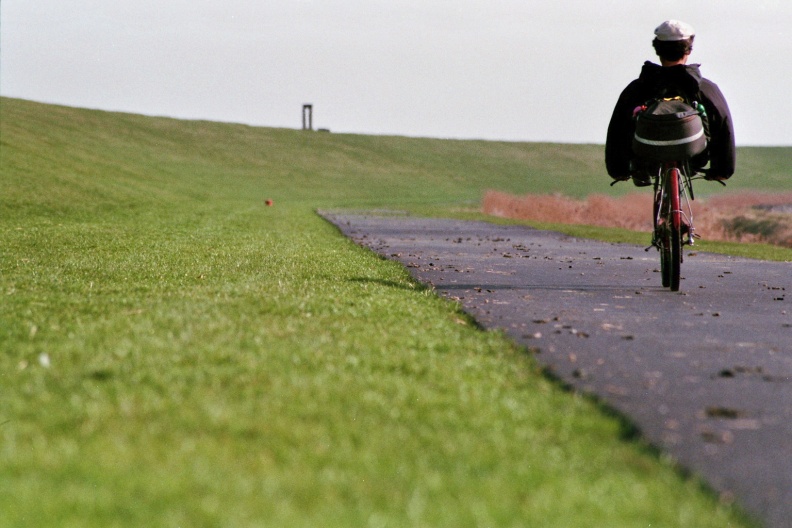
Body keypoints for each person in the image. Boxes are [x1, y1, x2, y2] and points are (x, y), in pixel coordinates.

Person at [606, 20, 735, 186]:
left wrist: (619, 171)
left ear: (657, 49)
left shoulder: (638, 87)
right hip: (693, 156)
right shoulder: (705, 88)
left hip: (647, 158)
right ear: (688, 50)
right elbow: (724, 127)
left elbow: (617, 128)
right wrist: (722, 170)